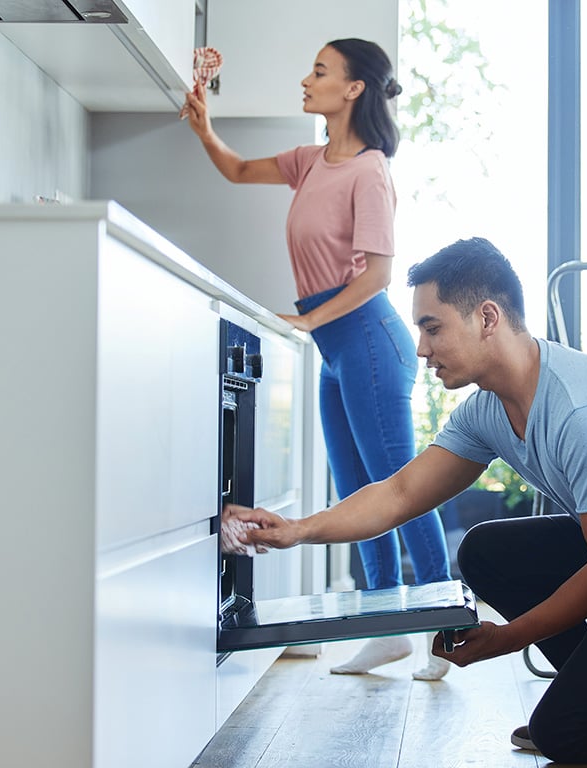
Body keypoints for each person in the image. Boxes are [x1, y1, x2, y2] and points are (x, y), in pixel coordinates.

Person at [222, 236, 587, 764]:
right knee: (487, 552)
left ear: (486, 317)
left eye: (431, 327)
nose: (422, 350)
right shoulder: (488, 409)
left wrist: (508, 639)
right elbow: (401, 493)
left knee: (562, 735)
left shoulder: (585, 414)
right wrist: (294, 530)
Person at [184, 38, 452, 680]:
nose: (307, 80)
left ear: (354, 88)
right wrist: (204, 127)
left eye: (320, 71)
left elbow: (379, 275)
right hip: (336, 349)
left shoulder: (370, 170)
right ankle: (386, 625)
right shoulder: (311, 161)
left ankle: (443, 627)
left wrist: (305, 317)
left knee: (403, 490)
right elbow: (237, 170)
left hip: (366, 340)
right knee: (361, 492)